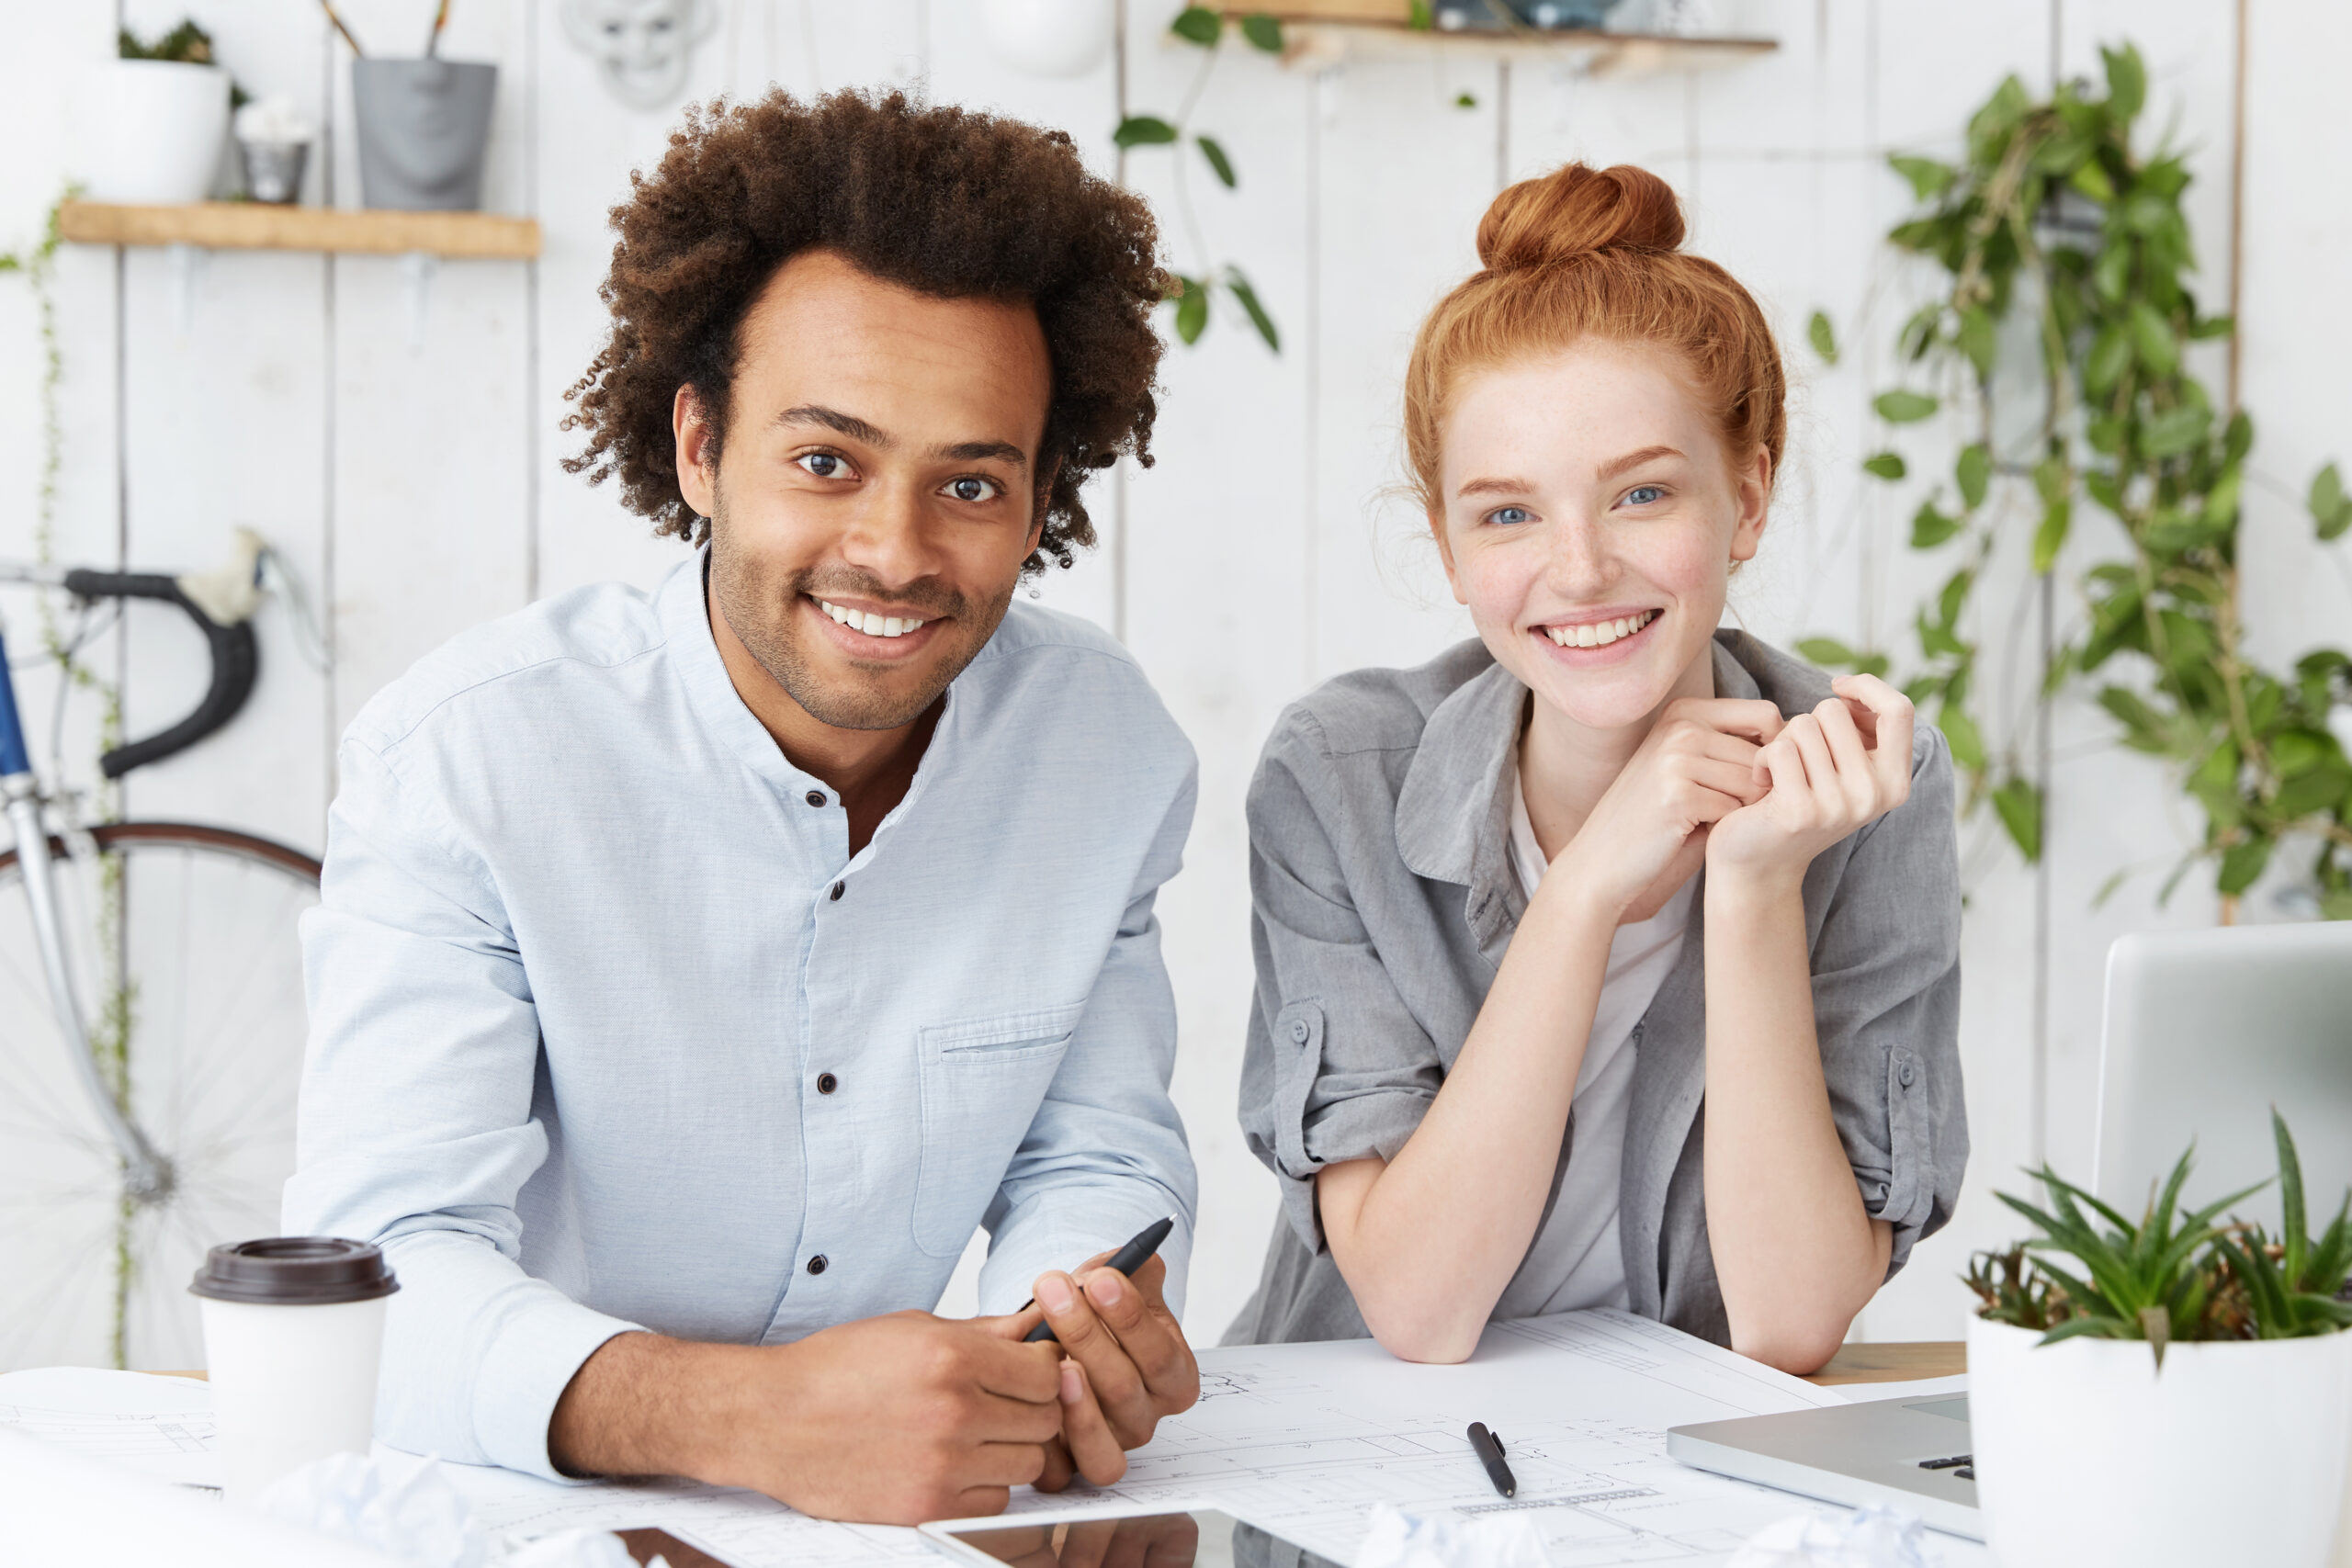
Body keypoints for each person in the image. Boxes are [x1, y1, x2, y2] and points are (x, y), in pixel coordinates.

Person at [286, 90, 1203, 1525]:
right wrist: (752, 1419)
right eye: (826, 461)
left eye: (970, 482)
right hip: (525, 1524)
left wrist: (1078, 1331)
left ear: (1040, 504)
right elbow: (376, 1275)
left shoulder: (1105, 753)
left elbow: (1096, 1155)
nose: (894, 552)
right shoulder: (466, 763)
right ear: (701, 446)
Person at [1227, 163, 1965, 1373]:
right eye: (1508, 515)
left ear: (1749, 496)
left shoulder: (1867, 782)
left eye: (1640, 494)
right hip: (1368, 1485)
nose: (1578, 571)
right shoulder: (1338, 778)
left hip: (1673, 1494)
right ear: (1449, 549)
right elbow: (1418, 1311)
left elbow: (1789, 1326)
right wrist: (1579, 899)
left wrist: (1754, 887)